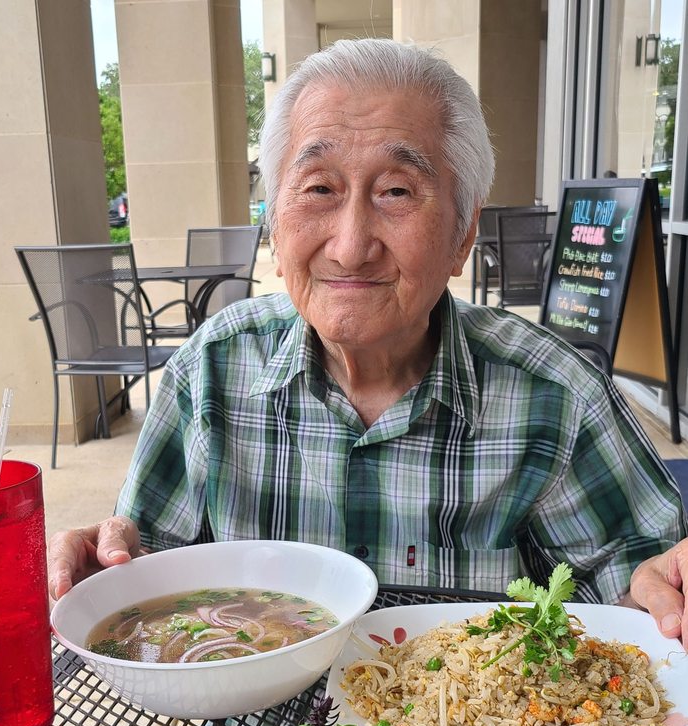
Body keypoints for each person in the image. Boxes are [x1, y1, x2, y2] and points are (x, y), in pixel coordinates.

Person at [49, 38, 687, 638]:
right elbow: (147, 564)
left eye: (397, 191)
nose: (351, 248)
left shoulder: (557, 396)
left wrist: (662, 592)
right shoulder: (212, 371)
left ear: (463, 234)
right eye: (319, 188)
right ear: (275, 220)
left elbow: (637, 584)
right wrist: (107, 563)